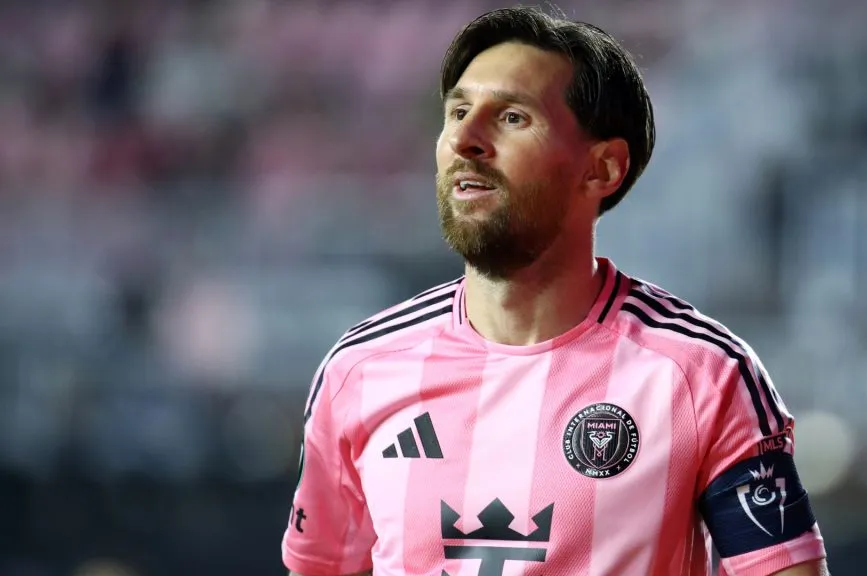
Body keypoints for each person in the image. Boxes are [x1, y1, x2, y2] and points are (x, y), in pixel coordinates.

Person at [282, 6, 829, 576]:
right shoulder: (360, 371)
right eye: (458, 112)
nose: (466, 139)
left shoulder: (702, 376)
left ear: (602, 169)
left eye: (512, 118)